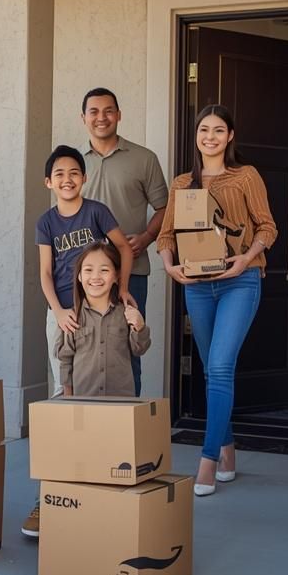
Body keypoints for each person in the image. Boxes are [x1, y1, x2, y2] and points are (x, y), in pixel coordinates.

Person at [156, 105, 277, 498]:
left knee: (221, 367)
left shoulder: (245, 176)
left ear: (230, 136)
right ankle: (228, 449)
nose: (210, 136)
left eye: (218, 130)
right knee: (211, 371)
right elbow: (166, 234)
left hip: (239, 282)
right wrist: (169, 266)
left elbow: (267, 225)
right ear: (196, 135)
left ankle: (206, 461)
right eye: (204, 129)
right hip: (196, 285)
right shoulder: (181, 183)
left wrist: (246, 258)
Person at [23, 145, 135, 538]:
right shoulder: (46, 222)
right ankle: (52, 497)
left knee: (108, 398)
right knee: (63, 398)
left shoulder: (97, 212)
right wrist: (57, 311)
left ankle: (104, 489)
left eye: (74, 172)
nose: (67, 179)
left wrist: (122, 289)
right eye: (59, 174)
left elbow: (122, 247)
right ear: (48, 182)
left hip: (99, 310)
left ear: (84, 178)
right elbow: (44, 273)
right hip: (65, 313)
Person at [80, 88, 168, 395]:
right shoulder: (75, 165)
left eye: (108, 111)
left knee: (129, 348)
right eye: (94, 111)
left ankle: (129, 430)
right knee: (84, 351)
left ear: (118, 115)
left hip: (131, 272)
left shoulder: (144, 159)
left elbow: (164, 208)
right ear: (83, 118)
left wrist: (145, 237)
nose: (101, 118)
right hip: (85, 277)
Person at [56, 241, 152, 398]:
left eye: (104, 270)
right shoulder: (72, 318)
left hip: (121, 403)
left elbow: (139, 349)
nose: (95, 277)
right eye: (88, 270)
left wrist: (140, 326)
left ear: (116, 276)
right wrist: (68, 399)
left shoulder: (126, 313)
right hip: (84, 403)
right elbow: (65, 360)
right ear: (79, 276)